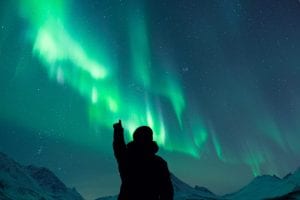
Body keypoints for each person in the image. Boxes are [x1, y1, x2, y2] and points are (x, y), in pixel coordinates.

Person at [113, 120, 174, 200]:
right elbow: (166, 190)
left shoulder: (127, 157)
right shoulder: (159, 162)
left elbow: (119, 147)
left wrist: (118, 131)